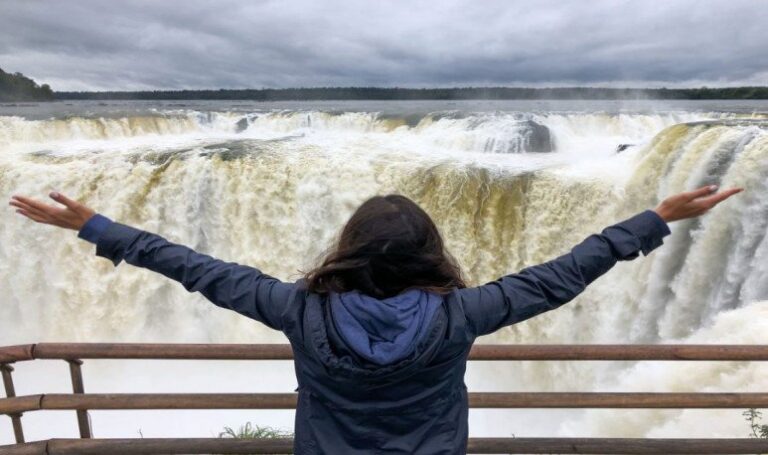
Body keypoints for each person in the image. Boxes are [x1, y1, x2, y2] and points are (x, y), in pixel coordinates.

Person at [9, 184, 742, 454]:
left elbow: (194, 267)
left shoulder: (298, 308)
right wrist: (653, 218)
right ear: (431, 251)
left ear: (347, 249)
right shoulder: (464, 314)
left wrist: (96, 225)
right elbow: (562, 276)